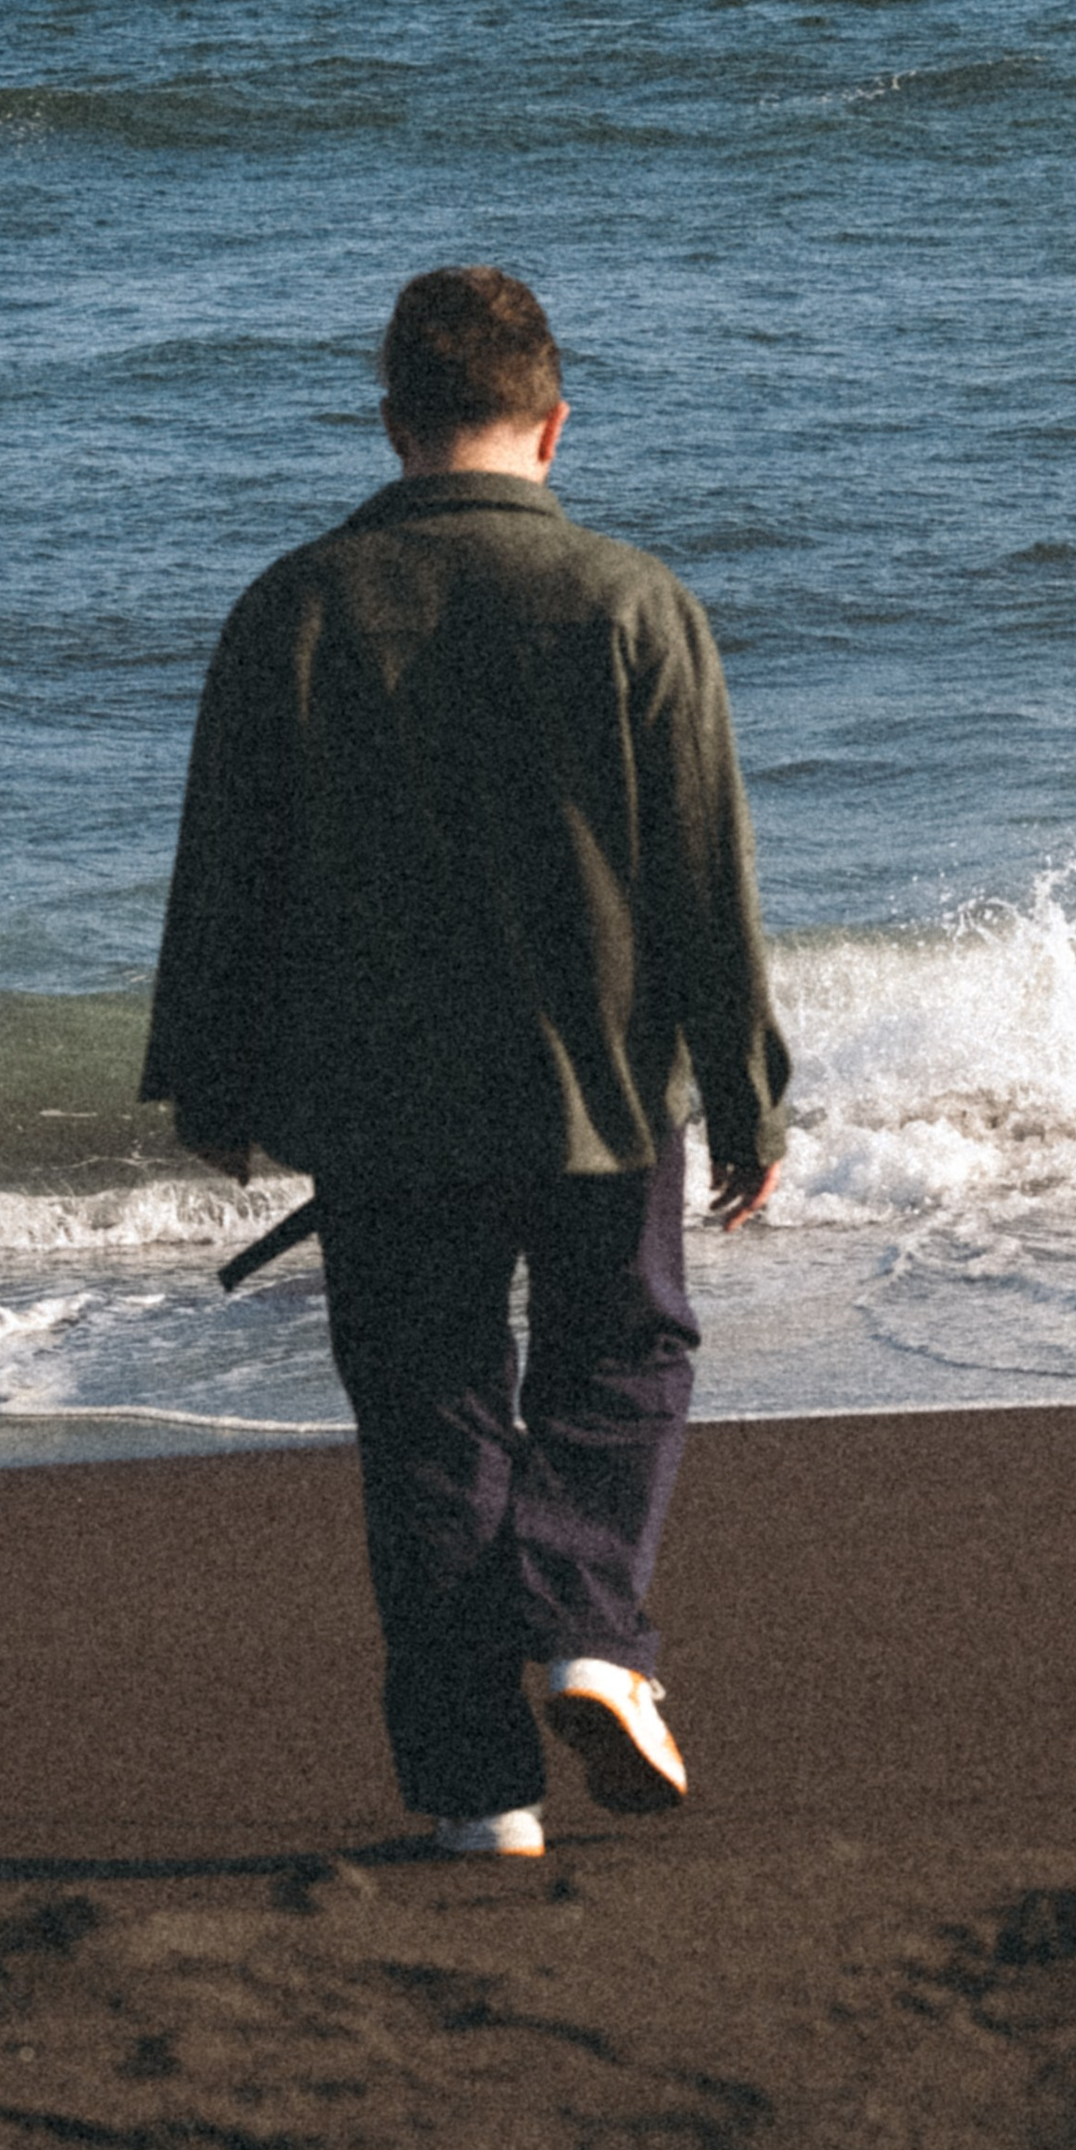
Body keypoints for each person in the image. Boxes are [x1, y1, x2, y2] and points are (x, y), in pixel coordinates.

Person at [141, 265, 789, 1858]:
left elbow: (226, 866)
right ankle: (586, 1625)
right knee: (623, 1361)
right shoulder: (637, 605)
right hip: (602, 1090)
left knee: (429, 1413)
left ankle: (475, 1793)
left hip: (378, 1103)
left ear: (393, 425)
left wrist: (208, 1083)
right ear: (555, 427)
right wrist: (748, 1094)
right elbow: (708, 873)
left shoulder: (293, 606)